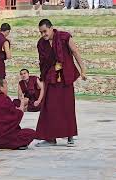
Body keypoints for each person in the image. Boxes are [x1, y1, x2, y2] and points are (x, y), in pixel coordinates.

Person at [35, 19, 87, 147]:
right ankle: (50, 138)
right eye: (41, 32)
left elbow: (75, 52)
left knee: (67, 107)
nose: (43, 35)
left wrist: (83, 70)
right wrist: (43, 77)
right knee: (49, 108)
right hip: (51, 78)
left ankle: (70, 137)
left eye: (45, 31)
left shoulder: (64, 37)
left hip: (65, 78)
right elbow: (43, 62)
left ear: (51, 28)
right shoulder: (41, 43)